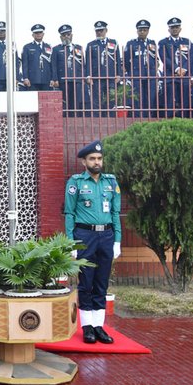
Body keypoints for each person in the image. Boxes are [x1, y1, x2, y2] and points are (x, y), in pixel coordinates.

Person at [64, 140, 121, 344]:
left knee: (102, 281)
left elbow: (115, 213)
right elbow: (69, 213)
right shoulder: (76, 182)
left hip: (106, 236)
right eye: (92, 159)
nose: (96, 162)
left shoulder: (111, 182)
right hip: (84, 235)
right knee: (86, 281)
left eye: (99, 158)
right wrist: (71, 242)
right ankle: (87, 327)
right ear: (84, 162)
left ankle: (99, 326)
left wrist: (117, 241)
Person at [124, 20, 159, 118]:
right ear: (137, 31)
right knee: (137, 98)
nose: (142, 32)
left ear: (148, 31)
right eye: (140, 30)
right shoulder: (131, 43)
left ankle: (149, 117)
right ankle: (138, 118)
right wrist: (131, 71)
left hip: (150, 74)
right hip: (136, 74)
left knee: (150, 97)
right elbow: (126, 60)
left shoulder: (152, 43)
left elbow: (156, 58)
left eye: (144, 30)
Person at [86, 21, 123, 115]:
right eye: (97, 31)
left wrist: (119, 74)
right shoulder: (91, 44)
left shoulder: (113, 43)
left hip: (111, 76)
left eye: (101, 30)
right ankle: (96, 120)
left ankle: (110, 119)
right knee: (96, 100)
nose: (99, 33)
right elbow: (88, 62)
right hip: (96, 76)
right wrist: (88, 76)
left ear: (106, 30)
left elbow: (118, 59)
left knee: (110, 99)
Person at [158, 17, 191, 118]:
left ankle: (184, 121)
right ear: (169, 29)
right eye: (172, 27)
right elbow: (164, 58)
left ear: (180, 28)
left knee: (184, 101)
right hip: (170, 75)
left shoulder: (187, 41)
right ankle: (169, 122)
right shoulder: (163, 42)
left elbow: (191, 57)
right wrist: (177, 69)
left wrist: (184, 69)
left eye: (177, 27)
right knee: (169, 101)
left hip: (184, 75)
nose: (175, 29)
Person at [52, 25, 88, 117]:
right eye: (64, 35)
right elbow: (54, 65)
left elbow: (82, 64)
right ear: (61, 37)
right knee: (64, 101)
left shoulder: (78, 48)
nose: (66, 37)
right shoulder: (56, 49)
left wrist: (83, 77)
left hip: (76, 79)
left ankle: (74, 118)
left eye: (68, 34)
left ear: (71, 35)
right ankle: (65, 118)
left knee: (76, 101)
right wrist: (55, 79)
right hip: (63, 79)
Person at [21, 24, 54, 91]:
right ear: (33, 35)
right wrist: (25, 78)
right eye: (36, 33)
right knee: (33, 100)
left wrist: (53, 78)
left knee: (46, 100)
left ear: (43, 34)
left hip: (46, 79)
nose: (38, 34)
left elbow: (52, 64)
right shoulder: (27, 47)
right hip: (32, 79)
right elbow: (25, 64)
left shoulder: (49, 47)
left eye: (40, 32)